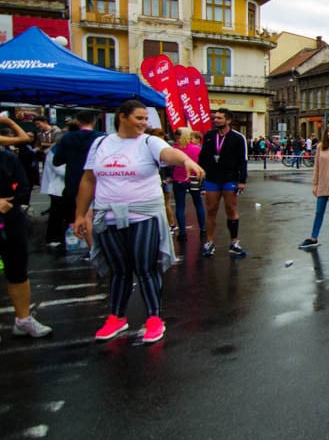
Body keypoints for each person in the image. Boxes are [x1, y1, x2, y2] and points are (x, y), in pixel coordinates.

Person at [73, 100, 204, 343]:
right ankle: (117, 317)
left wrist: (184, 160)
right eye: (139, 118)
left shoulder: (148, 142)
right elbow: (88, 180)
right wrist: (80, 214)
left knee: (145, 268)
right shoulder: (101, 143)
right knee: (119, 270)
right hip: (109, 215)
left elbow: (168, 153)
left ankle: (154, 318)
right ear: (122, 117)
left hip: (143, 215)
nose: (144, 123)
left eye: (146, 119)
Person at [0, 117, 52, 341]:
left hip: (10, 220)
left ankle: (23, 319)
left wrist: (9, 203)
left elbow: (23, 188)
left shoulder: (7, 158)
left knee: (18, 270)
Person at [198, 108, 248, 258]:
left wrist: (242, 180)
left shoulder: (238, 138)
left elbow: (243, 160)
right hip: (212, 178)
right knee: (211, 209)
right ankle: (210, 242)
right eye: (215, 118)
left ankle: (234, 242)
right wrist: (202, 174)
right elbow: (203, 158)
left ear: (228, 120)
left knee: (231, 209)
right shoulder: (208, 136)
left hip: (230, 178)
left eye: (219, 118)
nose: (215, 120)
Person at [53, 110, 103, 257]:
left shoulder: (68, 138)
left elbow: (57, 160)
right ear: (93, 122)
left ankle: (93, 249)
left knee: (85, 215)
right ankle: (104, 247)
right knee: (102, 214)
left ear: (78, 122)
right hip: (99, 179)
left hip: (76, 180)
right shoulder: (101, 138)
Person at [171, 129, 206, 241]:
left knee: (180, 206)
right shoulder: (197, 149)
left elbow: (169, 165)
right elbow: (202, 164)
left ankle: (182, 232)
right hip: (194, 178)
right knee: (198, 204)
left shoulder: (173, 149)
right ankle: (203, 229)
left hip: (179, 179)